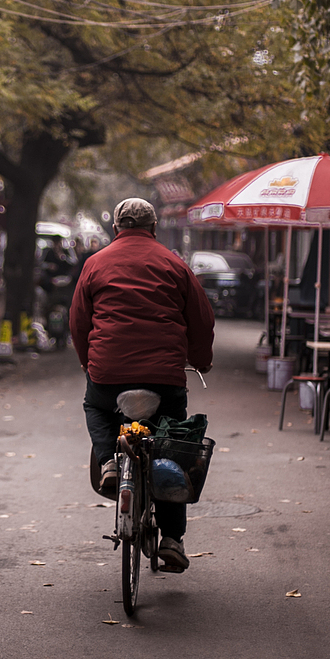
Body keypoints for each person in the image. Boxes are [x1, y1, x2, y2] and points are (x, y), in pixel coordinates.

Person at [70, 197, 214, 573]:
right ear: (153, 228)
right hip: (164, 378)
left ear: (116, 228)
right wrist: (201, 360)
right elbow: (201, 320)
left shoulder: (95, 264)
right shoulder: (174, 264)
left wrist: (88, 362)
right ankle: (173, 539)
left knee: (95, 405)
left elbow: (78, 321)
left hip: (108, 374)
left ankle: (108, 462)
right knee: (169, 447)